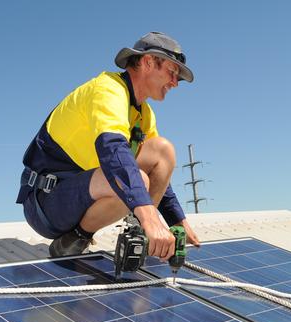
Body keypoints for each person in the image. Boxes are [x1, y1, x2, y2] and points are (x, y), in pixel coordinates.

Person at [16, 32, 200, 261]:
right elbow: (113, 151)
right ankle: (74, 240)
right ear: (148, 62)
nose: (175, 83)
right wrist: (150, 217)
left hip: (88, 192)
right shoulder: (107, 90)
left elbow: (158, 174)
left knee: (163, 151)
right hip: (46, 203)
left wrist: (177, 222)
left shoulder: (144, 113)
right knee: (136, 179)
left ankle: (142, 237)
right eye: (172, 73)